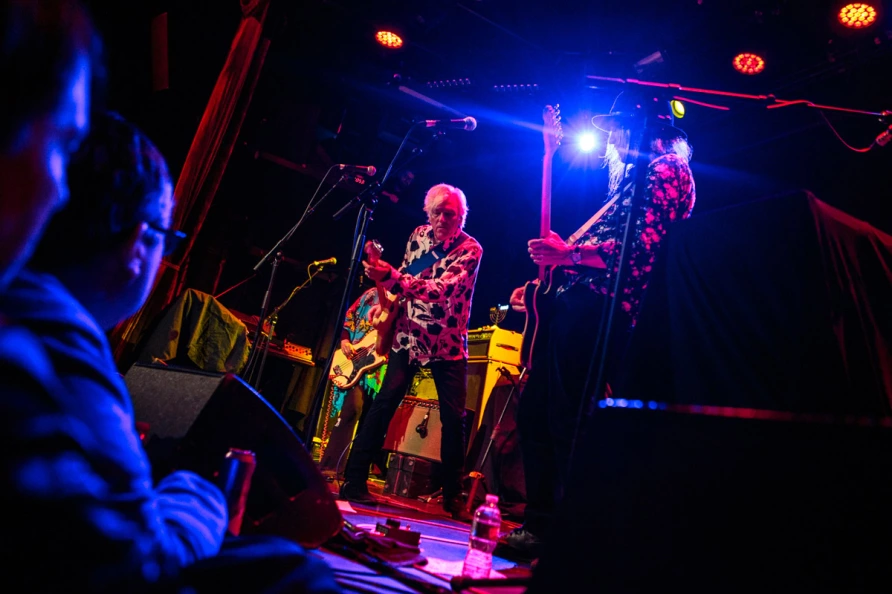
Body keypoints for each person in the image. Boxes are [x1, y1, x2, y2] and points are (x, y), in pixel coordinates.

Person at [3, 111, 339, 592]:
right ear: (141, 242)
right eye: (167, 240)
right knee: (297, 571)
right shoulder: (56, 341)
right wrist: (196, 494)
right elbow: (142, 560)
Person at [505, 107, 697, 555]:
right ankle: (540, 525)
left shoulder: (669, 168)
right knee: (536, 411)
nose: (610, 142)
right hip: (580, 298)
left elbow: (638, 250)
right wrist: (553, 267)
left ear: (643, 130)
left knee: (568, 417)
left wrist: (568, 257)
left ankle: (578, 535)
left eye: (616, 131)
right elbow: (608, 241)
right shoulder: (630, 179)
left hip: (607, 305)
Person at [339, 183, 483, 518]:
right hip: (408, 334)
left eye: (452, 213)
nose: (444, 218)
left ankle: (453, 498)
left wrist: (392, 279)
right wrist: (385, 304)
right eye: (438, 212)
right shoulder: (417, 236)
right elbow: (405, 276)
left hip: (446, 342)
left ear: (462, 217)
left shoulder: (471, 250)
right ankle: (353, 479)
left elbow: (441, 290)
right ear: (428, 213)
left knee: (453, 418)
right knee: (384, 402)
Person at [319, 285, 388, 476]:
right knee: (352, 409)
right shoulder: (371, 294)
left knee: (371, 421)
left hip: (382, 370)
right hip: (356, 362)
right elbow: (349, 317)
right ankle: (330, 466)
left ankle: (355, 472)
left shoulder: (407, 303)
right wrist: (345, 340)